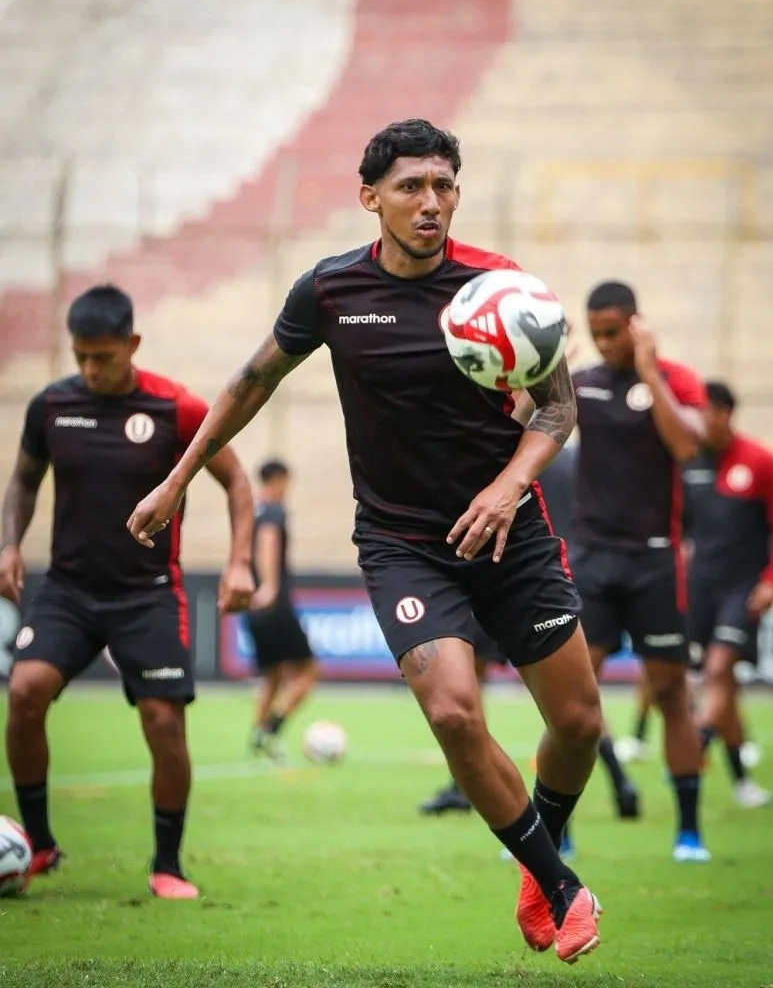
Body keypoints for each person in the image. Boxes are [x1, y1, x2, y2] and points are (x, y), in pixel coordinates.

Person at [128, 119, 604, 964]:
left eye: (444, 186)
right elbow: (251, 382)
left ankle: (540, 856)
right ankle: (559, 882)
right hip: (401, 542)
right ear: (370, 197)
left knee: (578, 724)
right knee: (452, 711)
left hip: (509, 533)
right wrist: (177, 479)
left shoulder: (502, 287)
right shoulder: (330, 291)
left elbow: (559, 407)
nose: (431, 203)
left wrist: (507, 486)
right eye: (411, 186)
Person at [0, 285, 255, 899]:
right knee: (26, 693)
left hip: (148, 594)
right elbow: (24, 480)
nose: (91, 369)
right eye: (81, 356)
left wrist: (240, 563)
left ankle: (168, 865)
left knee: (163, 722)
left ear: (132, 344)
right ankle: (40, 845)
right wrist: (9, 544)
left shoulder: (177, 409)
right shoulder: (51, 406)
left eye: (103, 357)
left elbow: (237, 482)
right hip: (68, 590)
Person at [571, 280, 709, 862]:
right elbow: (524, 425)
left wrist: (651, 373)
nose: (604, 343)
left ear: (635, 324)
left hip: (655, 558)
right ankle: (556, 831)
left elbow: (688, 446)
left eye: (613, 332)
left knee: (672, 693)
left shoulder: (675, 379)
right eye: (595, 333)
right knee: (573, 699)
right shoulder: (581, 382)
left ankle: (689, 833)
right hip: (592, 558)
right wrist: (539, 365)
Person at [420, 439, 578, 820]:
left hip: (513, 569)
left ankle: (470, 785)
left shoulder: (510, 455)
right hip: (541, 569)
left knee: (565, 706)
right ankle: (464, 784)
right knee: (570, 707)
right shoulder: (562, 459)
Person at [682, 380, 773, 808]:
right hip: (699, 588)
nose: (699, 420)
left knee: (717, 670)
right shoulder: (688, 461)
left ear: (725, 414)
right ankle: (743, 782)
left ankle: (695, 745)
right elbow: (679, 527)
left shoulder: (760, 461)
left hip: (743, 588)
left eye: (706, 412)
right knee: (721, 682)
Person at [246, 459, 318, 760]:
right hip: (272, 603)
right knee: (308, 672)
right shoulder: (273, 510)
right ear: (279, 479)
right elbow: (268, 540)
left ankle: (258, 739)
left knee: (272, 676)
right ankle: (270, 730)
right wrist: (270, 586)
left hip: (252, 604)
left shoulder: (251, 510)